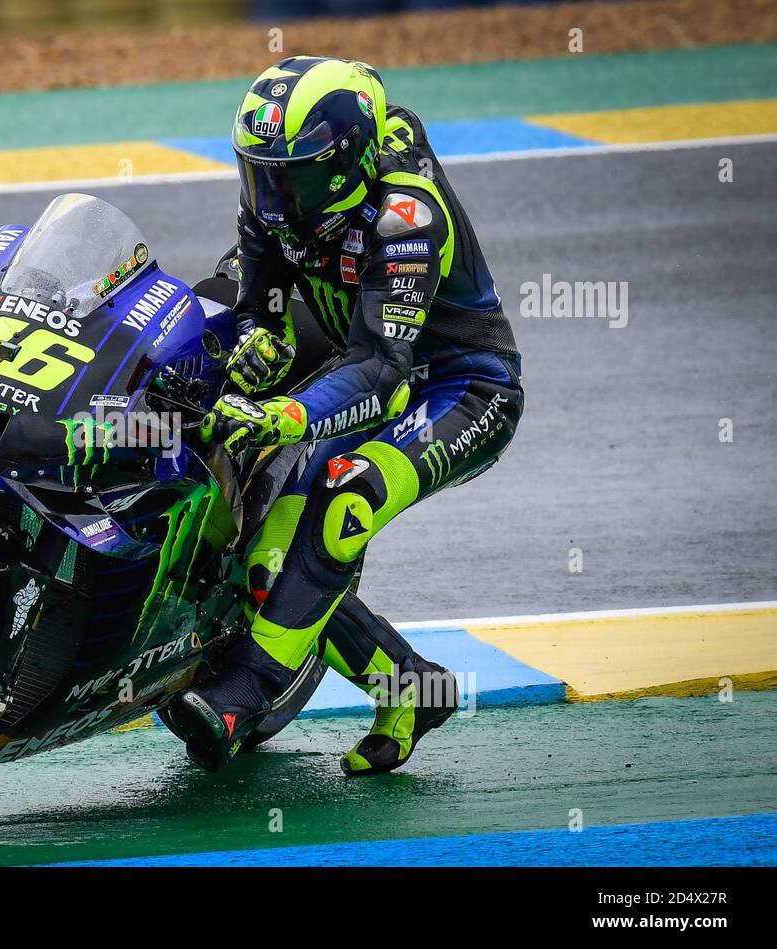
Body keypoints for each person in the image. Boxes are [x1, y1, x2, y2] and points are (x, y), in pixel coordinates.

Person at [162, 55, 525, 775]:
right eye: (256, 168)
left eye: (288, 172)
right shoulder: (278, 201)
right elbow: (255, 300)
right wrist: (257, 337)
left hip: (458, 387)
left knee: (342, 490)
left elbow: (382, 365)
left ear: (344, 159)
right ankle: (411, 687)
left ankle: (246, 692)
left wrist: (289, 414)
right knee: (267, 554)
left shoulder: (406, 214)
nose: (269, 189)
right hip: (358, 363)